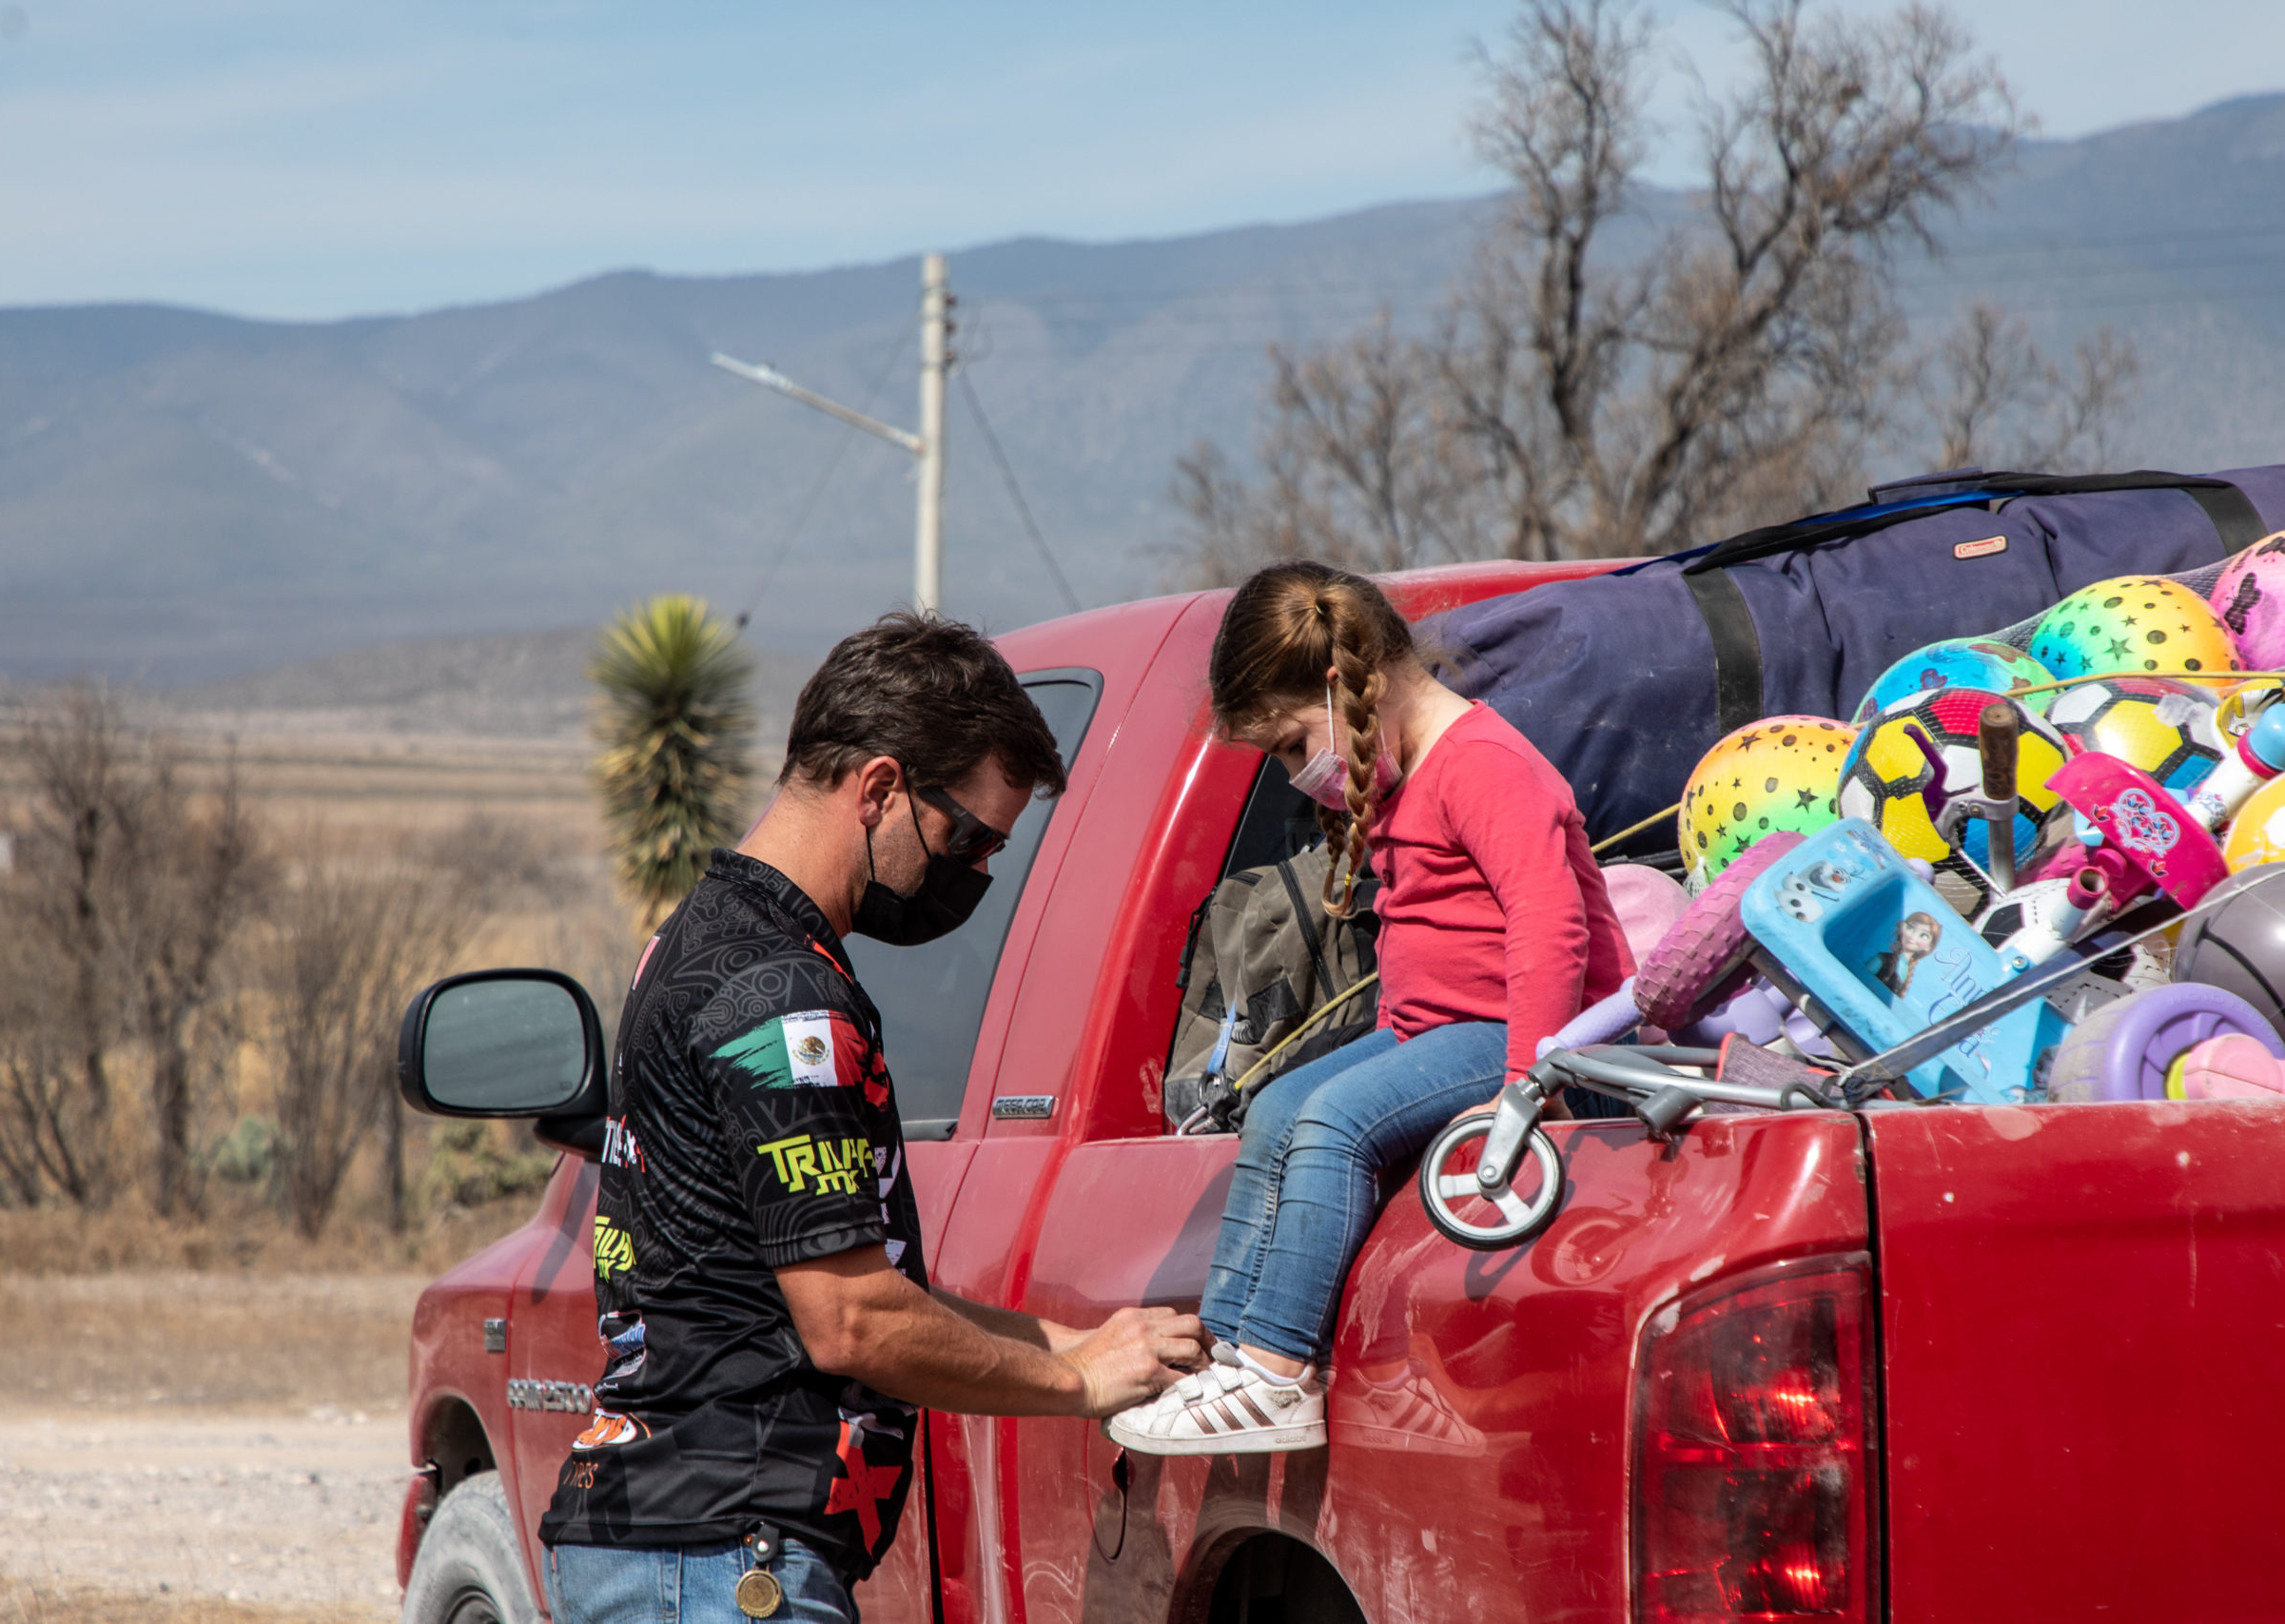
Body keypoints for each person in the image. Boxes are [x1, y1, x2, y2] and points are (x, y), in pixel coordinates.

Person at [541, 613, 1206, 1624]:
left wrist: (1087, 1344)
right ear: (883, 788)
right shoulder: (782, 1000)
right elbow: (851, 1320)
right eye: (969, 837)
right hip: (728, 1563)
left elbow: (874, 1293)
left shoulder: (700, 941)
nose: (978, 872)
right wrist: (1072, 1389)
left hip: (686, 1547)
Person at [1108, 561, 1631, 1456]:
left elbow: (1551, 922)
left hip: (1525, 1036)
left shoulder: (1484, 764)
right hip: (1438, 1029)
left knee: (1333, 1123)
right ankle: (1232, 1348)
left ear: (1346, 685)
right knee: (1276, 1105)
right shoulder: (1401, 771)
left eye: (1288, 743)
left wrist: (1524, 1088)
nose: (1291, 770)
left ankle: (1278, 1373)